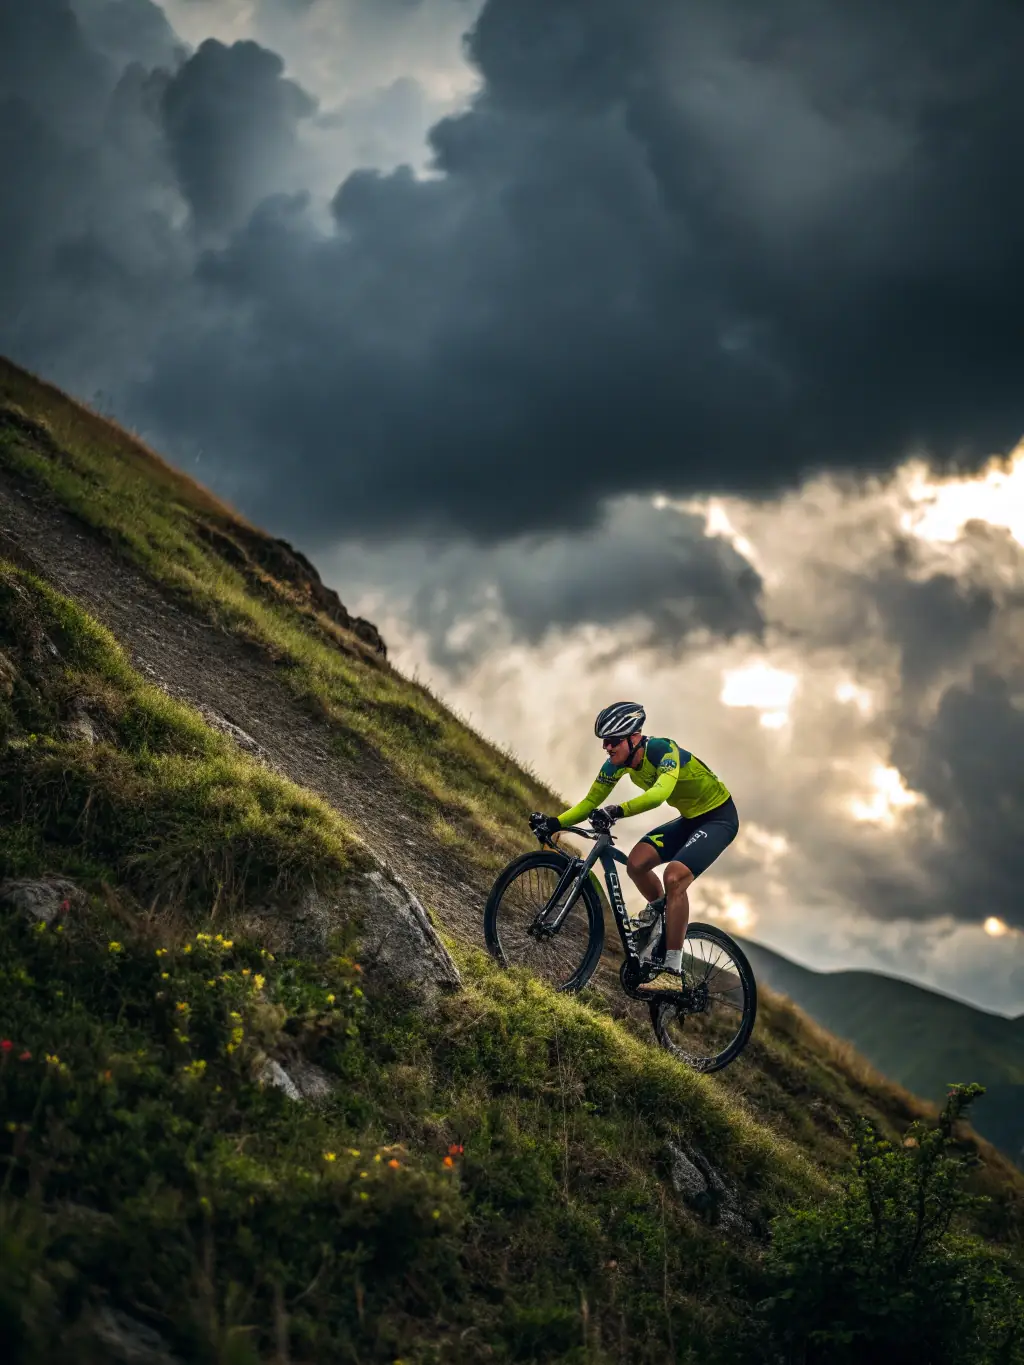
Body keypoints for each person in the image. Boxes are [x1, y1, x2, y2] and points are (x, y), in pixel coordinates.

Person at [530, 701, 739, 985]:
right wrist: (556, 823)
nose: (607, 747)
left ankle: (672, 965)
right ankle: (660, 924)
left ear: (635, 737)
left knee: (674, 877)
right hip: (690, 819)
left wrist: (618, 810)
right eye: (604, 742)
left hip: (719, 818)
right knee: (637, 863)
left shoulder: (663, 751)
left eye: (613, 741)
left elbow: (658, 794)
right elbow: (591, 801)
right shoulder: (616, 764)